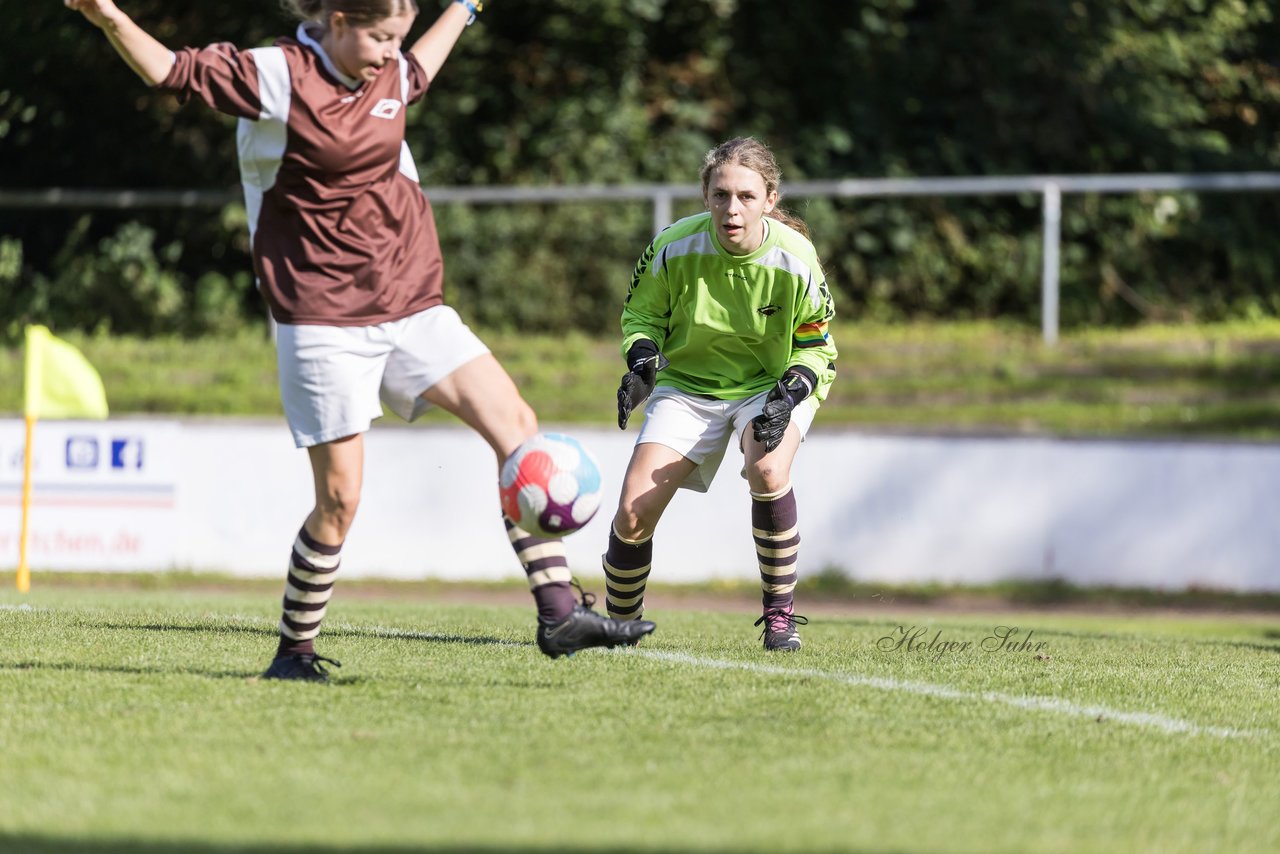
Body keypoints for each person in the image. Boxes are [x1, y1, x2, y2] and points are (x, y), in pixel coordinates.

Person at [66, 0, 654, 679]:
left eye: (397, 39)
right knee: (340, 499)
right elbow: (170, 71)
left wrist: (463, 7)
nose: (388, 53)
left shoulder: (389, 69)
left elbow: (421, 67)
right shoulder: (278, 74)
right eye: (378, 37)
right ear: (338, 20)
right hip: (320, 318)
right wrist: (107, 16)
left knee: (519, 429)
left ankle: (558, 612)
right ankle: (295, 652)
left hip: (410, 303)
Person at [605, 137, 837, 651]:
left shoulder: (796, 257)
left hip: (769, 385)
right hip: (688, 387)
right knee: (632, 513)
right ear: (706, 195)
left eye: (747, 197)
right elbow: (641, 316)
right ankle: (620, 626)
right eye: (721, 195)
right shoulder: (673, 245)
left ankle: (780, 618)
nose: (732, 208)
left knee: (769, 468)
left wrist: (788, 396)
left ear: (770, 200)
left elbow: (816, 347)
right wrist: (643, 362)